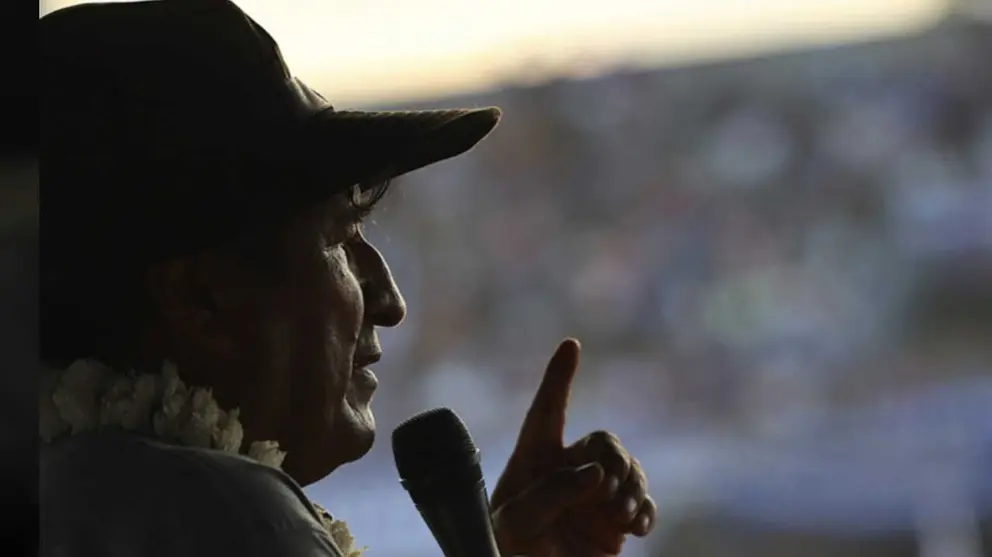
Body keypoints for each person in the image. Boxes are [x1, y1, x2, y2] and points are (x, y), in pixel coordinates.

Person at [39, 1, 657, 556]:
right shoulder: (224, 516)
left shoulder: (82, 499)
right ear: (200, 298)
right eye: (339, 240)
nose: (389, 301)